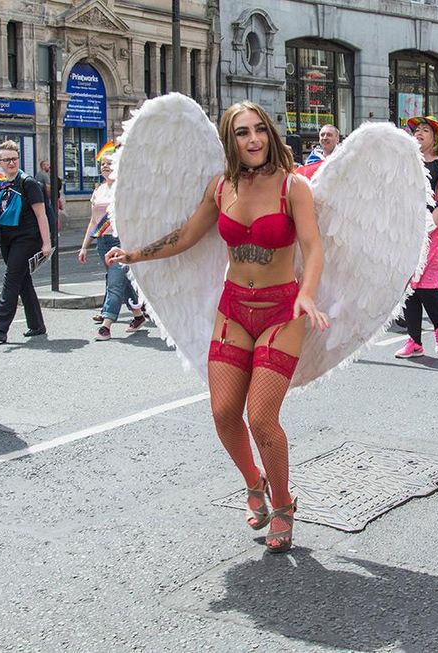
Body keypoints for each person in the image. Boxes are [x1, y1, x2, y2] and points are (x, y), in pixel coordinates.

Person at [105, 101, 330, 553]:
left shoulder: (293, 187)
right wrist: (135, 254)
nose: (253, 140)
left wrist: (308, 292)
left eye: (259, 130)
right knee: (224, 412)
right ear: (231, 140)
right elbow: (187, 236)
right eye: (243, 132)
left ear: (269, 133)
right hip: (234, 309)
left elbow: (313, 246)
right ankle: (254, 481)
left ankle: (284, 504)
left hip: (281, 311)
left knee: (262, 417)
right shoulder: (220, 187)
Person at [0, 141, 51, 343]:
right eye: (6, 159)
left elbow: (41, 215)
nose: (11, 162)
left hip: (27, 239)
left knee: (11, 279)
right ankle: (37, 325)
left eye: (14, 159)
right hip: (7, 239)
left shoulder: (28, 183)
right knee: (23, 281)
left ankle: (0, 327)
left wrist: (46, 244)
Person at [394, 115, 438, 358]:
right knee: (409, 287)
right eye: (416, 130)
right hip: (408, 232)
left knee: (427, 286)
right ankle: (414, 341)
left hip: (431, 230)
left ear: (436, 139)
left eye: (424, 131)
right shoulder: (408, 164)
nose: (418, 133)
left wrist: (424, 228)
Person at [78, 152, 146, 340]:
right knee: (120, 282)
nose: (105, 166)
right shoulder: (98, 191)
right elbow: (93, 221)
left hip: (120, 241)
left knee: (114, 283)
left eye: (110, 163)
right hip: (102, 241)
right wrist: (84, 246)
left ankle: (106, 325)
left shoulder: (124, 189)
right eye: (102, 164)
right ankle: (138, 315)